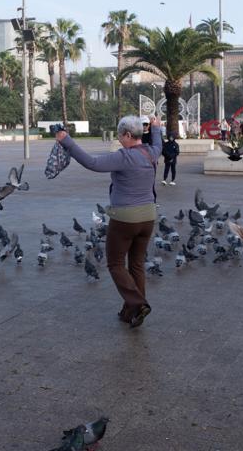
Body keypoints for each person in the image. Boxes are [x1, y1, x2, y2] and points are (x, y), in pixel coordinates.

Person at [56, 115, 162, 329]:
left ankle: (138, 303)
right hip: (148, 217)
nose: (119, 139)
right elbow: (158, 142)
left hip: (125, 218)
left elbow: (92, 162)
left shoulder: (124, 157)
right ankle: (130, 311)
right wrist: (157, 128)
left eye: (120, 135)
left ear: (129, 135)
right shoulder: (151, 152)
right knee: (137, 264)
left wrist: (66, 140)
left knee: (115, 264)